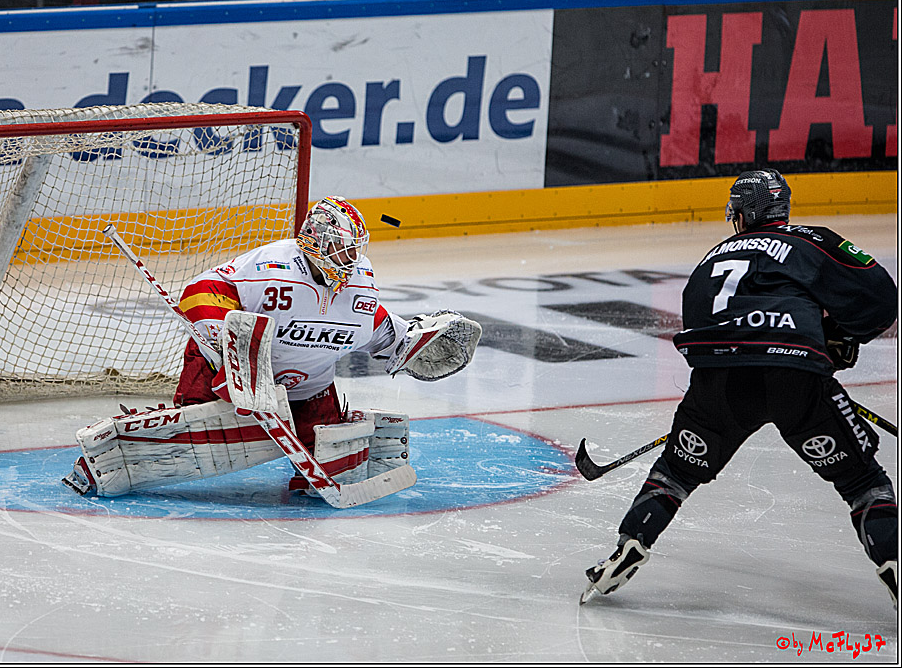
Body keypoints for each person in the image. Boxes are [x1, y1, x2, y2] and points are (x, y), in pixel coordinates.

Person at [581, 169, 898, 609]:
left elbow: (697, 318)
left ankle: (630, 543)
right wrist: (838, 337)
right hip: (794, 377)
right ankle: (894, 560)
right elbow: (882, 298)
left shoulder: (713, 256)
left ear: (745, 210)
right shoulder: (812, 241)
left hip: (719, 383)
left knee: (676, 472)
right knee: (862, 480)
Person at [62, 195, 479, 498]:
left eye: (353, 248)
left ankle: (305, 476)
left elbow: (379, 330)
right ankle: (97, 469)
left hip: (307, 388)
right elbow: (200, 291)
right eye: (339, 247)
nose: (348, 257)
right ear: (314, 240)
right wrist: (227, 345)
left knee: (334, 449)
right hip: (225, 371)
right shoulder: (272, 267)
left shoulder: (360, 284)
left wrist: (411, 344)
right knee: (188, 429)